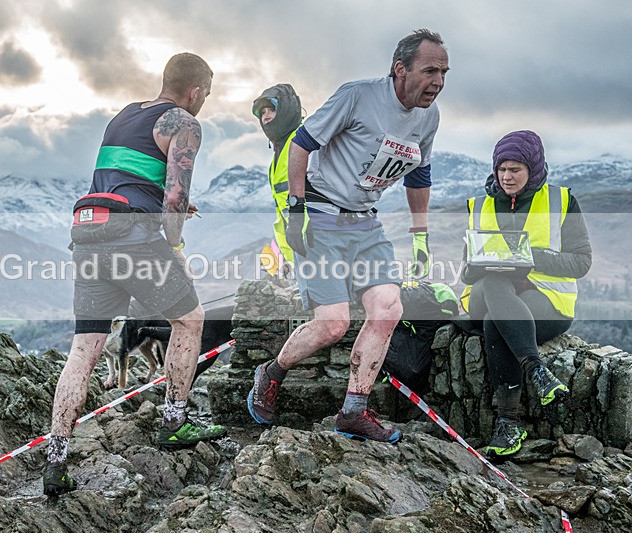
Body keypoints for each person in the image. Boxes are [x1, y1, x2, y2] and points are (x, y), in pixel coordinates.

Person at [247, 29, 449, 443]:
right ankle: (271, 372)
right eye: (430, 70)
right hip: (320, 215)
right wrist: (298, 209)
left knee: (387, 310)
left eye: (444, 72)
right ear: (400, 69)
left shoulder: (430, 117)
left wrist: (421, 234)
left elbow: (420, 174)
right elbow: (301, 145)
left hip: (365, 222)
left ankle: (354, 410)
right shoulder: (356, 96)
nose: (439, 81)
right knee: (333, 324)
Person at [43, 52, 226, 496]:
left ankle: (55, 460)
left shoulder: (123, 115)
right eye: (207, 94)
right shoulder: (184, 122)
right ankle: (174, 422)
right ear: (197, 91)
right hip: (132, 237)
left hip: (89, 232)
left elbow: (126, 179)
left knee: (84, 349)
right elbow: (176, 197)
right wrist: (176, 245)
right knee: (191, 319)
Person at [459, 130, 592, 458]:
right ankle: (536, 370)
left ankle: (509, 423)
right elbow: (465, 272)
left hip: (545, 299)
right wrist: (482, 263)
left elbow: (582, 261)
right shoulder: (480, 205)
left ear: (533, 168)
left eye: (515, 169)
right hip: (484, 294)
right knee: (491, 285)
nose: (506, 176)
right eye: (501, 169)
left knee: (496, 322)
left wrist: (531, 256)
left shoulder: (562, 201)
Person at [252, 83, 303, 269]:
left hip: (318, 247)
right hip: (298, 254)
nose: (265, 116)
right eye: (262, 112)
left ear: (287, 110)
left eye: (271, 109)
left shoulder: (304, 140)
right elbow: (282, 213)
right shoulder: (278, 155)